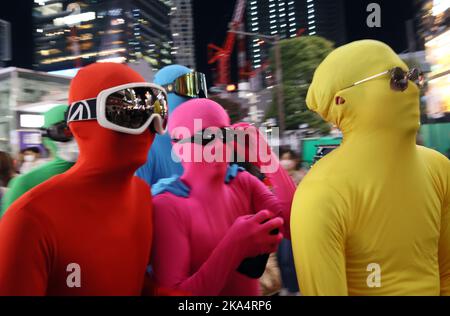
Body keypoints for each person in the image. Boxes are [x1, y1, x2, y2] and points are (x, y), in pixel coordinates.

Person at [291, 40, 450, 295]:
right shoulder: (320, 194)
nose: (411, 89)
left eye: (411, 75)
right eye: (396, 78)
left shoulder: (440, 169)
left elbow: (446, 275)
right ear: (342, 100)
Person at [0, 63, 169, 295]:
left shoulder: (141, 195)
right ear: (80, 122)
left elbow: (133, 283)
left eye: (156, 110)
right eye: (129, 112)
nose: (150, 127)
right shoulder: (29, 220)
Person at [151, 98, 296, 296]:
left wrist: (267, 159)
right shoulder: (167, 205)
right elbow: (176, 294)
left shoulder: (243, 182)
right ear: (178, 146)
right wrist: (234, 246)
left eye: (225, 135)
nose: (219, 146)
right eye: (206, 137)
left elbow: (294, 226)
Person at [136, 65, 208, 188]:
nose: (195, 98)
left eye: (198, 86)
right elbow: (134, 201)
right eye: (187, 86)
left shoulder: (208, 140)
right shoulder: (145, 148)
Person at [1, 105, 78, 216]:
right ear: (48, 135)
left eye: (78, 130)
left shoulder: (25, 183)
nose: (75, 139)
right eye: (64, 131)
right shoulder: (25, 184)